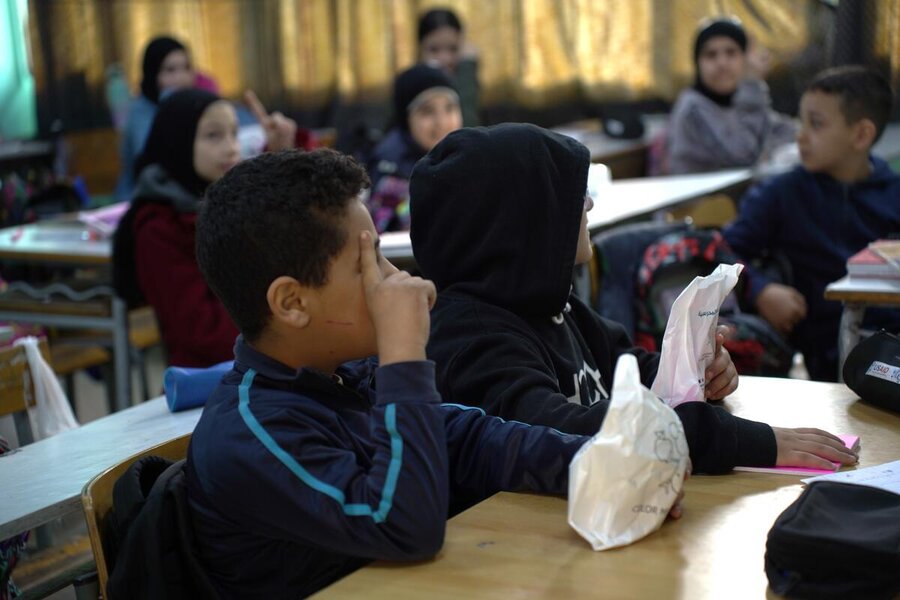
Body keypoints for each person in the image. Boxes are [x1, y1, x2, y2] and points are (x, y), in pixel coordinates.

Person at [184, 149, 652, 597]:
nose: (404, 283)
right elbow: (405, 525)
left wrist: (602, 463)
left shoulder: (340, 376)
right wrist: (402, 355)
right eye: (366, 267)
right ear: (292, 303)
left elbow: (469, 439)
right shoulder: (252, 436)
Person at [408, 123, 858, 474]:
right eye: (568, 198)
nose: (586, 207)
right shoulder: (472, 339)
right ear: (519, 225)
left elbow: (627, 369)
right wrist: (749, 442)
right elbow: (574, 432)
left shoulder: (548, 302)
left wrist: (693, 371)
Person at [723, 66, 900, 381]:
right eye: (801, 121)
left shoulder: (894, 193)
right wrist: (761, 291)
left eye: (815, 124)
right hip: (831, 355)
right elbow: (723, 251)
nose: (800, 135)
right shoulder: (782, 193)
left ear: (861, 135)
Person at [665, 17, 796, 174]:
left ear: (744, 59)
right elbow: (745, 158)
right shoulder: (693, 107)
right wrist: (752, 84)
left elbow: (784, 132)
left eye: (731, 52)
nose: (722, 63)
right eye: (711, 55)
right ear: (697, 64)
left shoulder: (737, 100)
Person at [367, 64, 462, 232]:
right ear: (406, 119)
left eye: (450, 108)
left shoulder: (467, 156)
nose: (442, 122)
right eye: (427, 111)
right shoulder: (390, 174)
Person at [116, 37, 196, 201]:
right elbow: (152, 164)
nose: (181, 78)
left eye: (186, 68)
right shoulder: (139, 112)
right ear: (152, 74)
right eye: (170, 70)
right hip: (140, 202)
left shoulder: (193, 105)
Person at [417, 7, 480, 127]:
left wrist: (467, 70)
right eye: (434, 49)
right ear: (419, 50)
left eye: (453, 49)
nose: (444, 59)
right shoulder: (409, 88)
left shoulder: (466, 79)